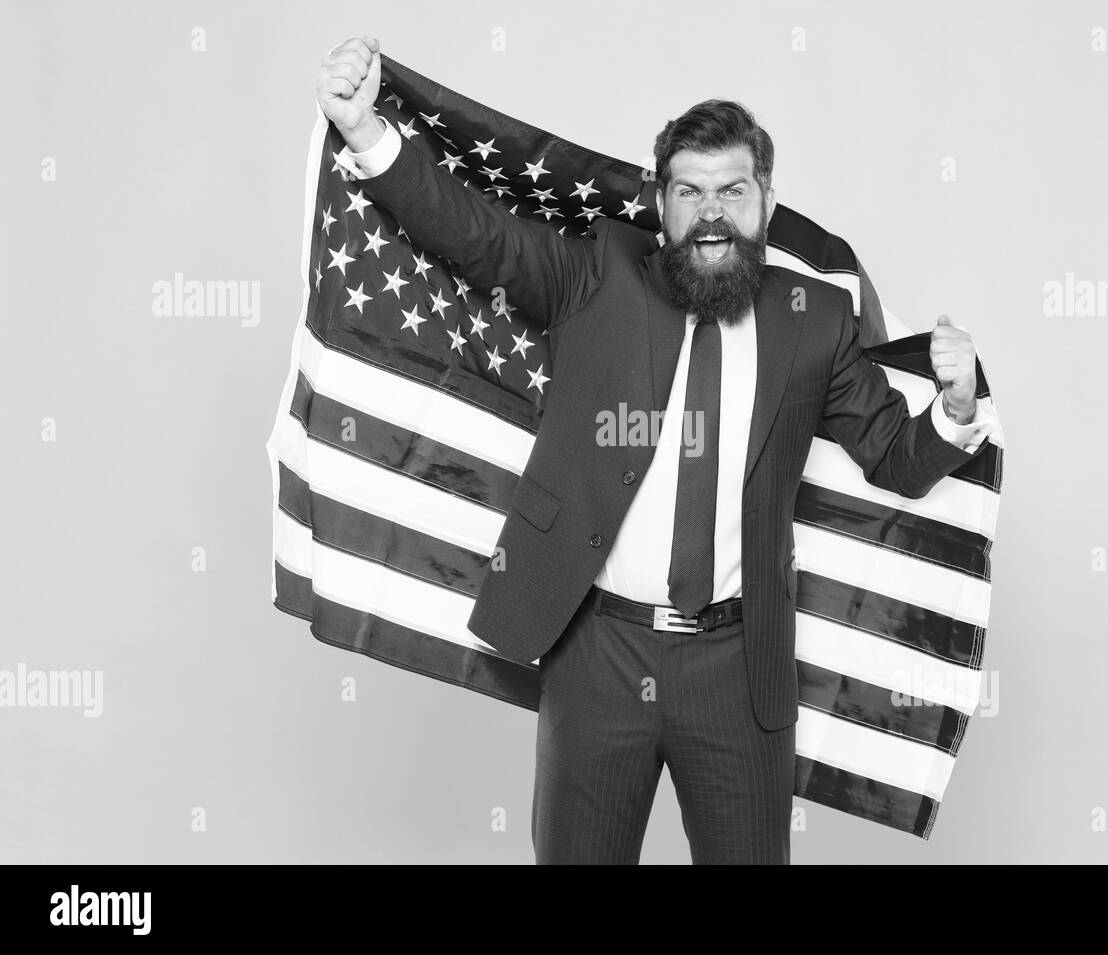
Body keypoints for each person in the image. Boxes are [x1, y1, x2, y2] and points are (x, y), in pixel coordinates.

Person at [316, 36, 996, 864]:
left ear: (766, 202)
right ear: (662, 203)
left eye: (732, 190)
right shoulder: (601, 272)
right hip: (600, 652)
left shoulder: (815, 319)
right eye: (689, 191)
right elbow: (480, 237)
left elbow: (894, 455)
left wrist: (957, 409)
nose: (711, 212)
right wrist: (366, 135)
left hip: (737, 667)